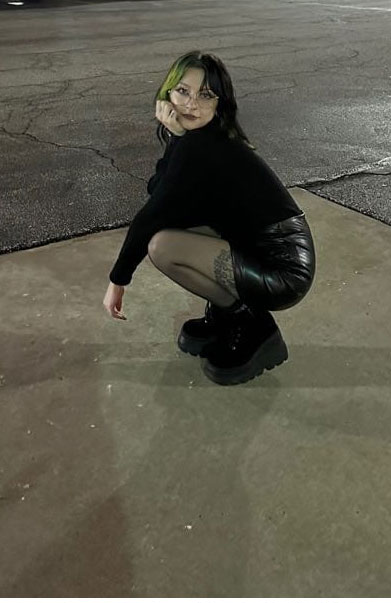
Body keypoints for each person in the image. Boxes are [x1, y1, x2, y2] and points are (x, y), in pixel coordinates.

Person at [102, 53, 316, 387]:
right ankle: (228, 313)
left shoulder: (207, 147)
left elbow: (151, 215)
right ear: (167, 95)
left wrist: (118, 280)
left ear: (220, 103)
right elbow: (159, 190)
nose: (191, 104)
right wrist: (176, 138)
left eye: (206, 95)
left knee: (162, 245)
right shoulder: (196, 142)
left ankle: (251, 324)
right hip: (259, 249)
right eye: (183, 91)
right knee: (173, 228)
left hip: (283, 268)